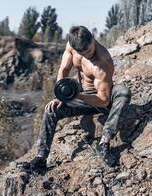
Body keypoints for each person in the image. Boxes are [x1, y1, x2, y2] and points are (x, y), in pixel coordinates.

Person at [27, 26, 131, 168]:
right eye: (82, 52)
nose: (87, 55)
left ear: (93, 39)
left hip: (102, 98)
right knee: (51, 109)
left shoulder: (102, 62)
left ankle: (104, 143)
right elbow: (63, 70)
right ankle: (40, 158)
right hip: (82, 96)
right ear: (75, 48)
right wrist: (60, 95)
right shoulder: (72, 46)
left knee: (123, 92)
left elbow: (103, 100)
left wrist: (76, 95)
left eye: (89, 50)